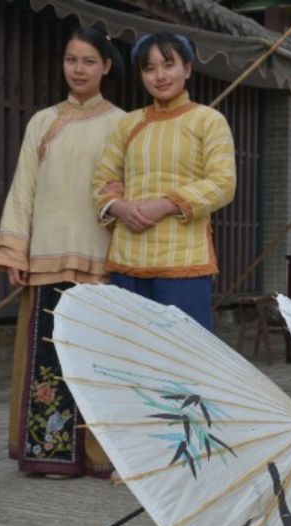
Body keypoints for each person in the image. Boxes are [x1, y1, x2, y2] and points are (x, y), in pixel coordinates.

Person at [0, 28, 126, 477]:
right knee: (48, 360)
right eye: (72, 59)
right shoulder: (42, 121)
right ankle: (49, 454)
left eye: (89, 61)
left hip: (99, 258)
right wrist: (15, 250)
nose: (79, 69)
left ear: (106, 66)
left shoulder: (122, 124)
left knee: (95, 360)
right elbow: (22, 188)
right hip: (46, 258)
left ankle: (99, 456)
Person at [92, 33, 236, 330]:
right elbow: (103, 180)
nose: (159, 76)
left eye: (168, 65)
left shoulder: (208, 120)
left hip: (183, 261)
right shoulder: (128, 124)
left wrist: (167, 204)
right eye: (149, 68)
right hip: (128, 258)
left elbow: (223, 183)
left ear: (187, 68)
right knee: (130, 354)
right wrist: (118, 207)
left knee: (183, 356)